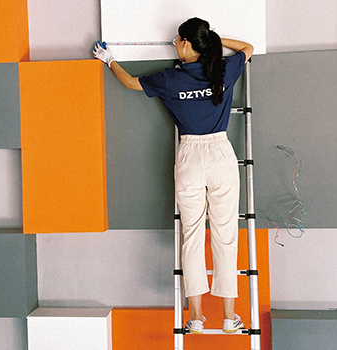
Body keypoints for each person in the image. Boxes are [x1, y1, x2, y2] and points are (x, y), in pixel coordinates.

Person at [93, 17, 253, 334]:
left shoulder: (170, 79)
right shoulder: (223, 70)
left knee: (192, 236)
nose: (174, 44)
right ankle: (229, 317)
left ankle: (195, 317)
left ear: (188, 46)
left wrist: (109, 60)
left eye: (178, 40)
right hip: (220, 153)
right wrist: (215, 42)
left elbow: (129, 83)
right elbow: (248, 47)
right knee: (225, 236)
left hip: (189, 155)